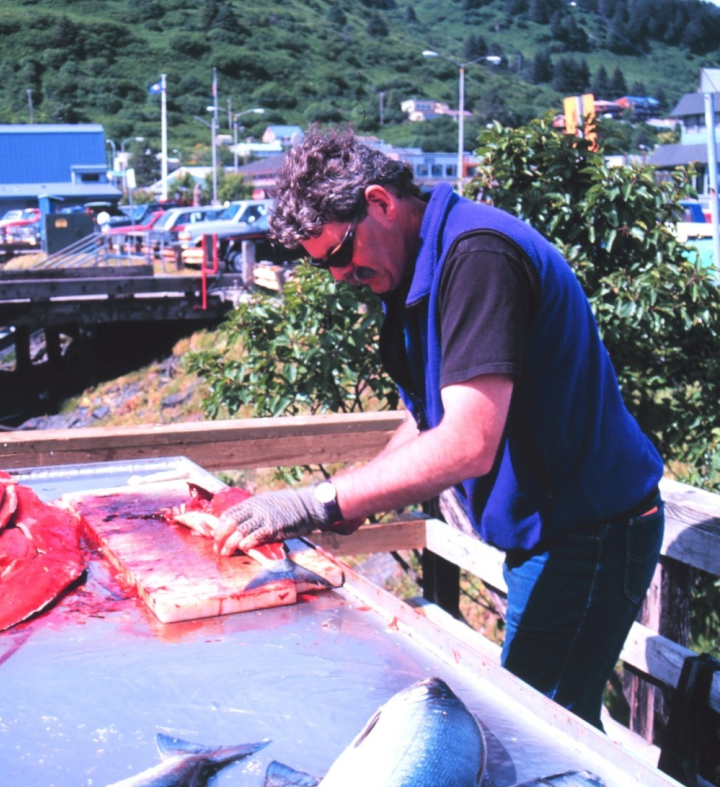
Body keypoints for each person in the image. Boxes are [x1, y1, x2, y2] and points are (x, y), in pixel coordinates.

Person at [211, 126, 664, 729]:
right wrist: (351, 501)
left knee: (539, 734)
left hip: (591, 531)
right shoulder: (417, 266)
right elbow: (431, 420)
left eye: (341, 254)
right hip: (553, 529)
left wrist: (317, 500)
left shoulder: (477, 256)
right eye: (324, 266)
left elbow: (468, 444)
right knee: (561, 718)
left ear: (380, 202)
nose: (340, 276)